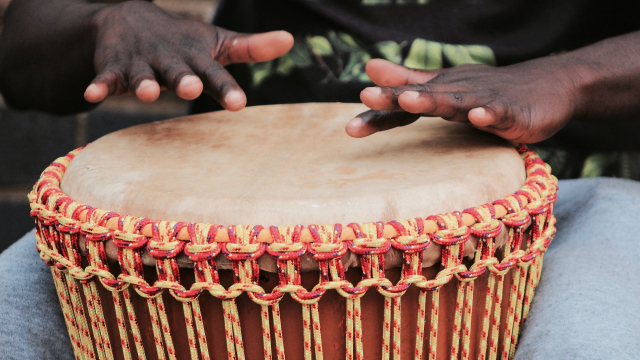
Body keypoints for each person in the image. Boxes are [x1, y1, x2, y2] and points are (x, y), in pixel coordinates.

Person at [0, 0, 639, 359]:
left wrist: (571, 76)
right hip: (180, 239)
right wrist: (104, 19)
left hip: (556, 205)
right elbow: (18, 51)